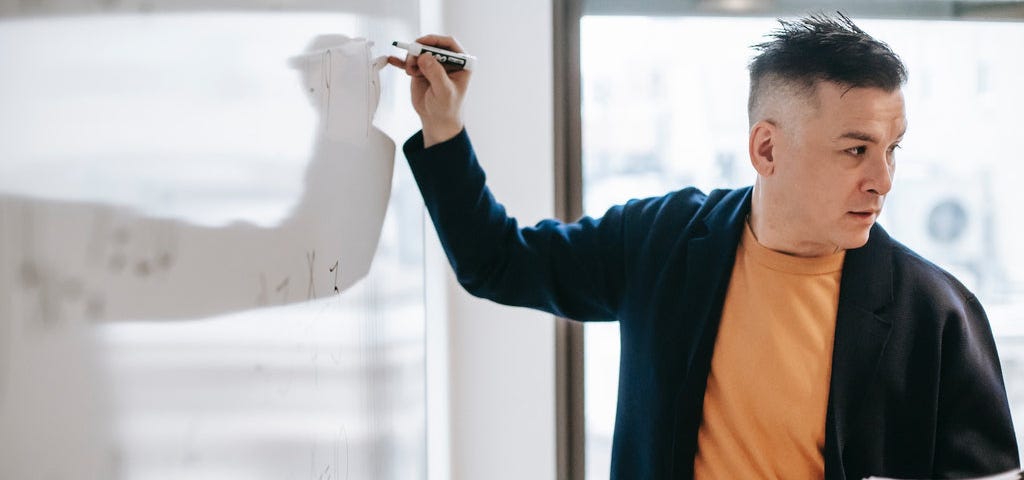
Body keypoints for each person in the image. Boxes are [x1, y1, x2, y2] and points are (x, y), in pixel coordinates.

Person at [388, 12, 1019, 479]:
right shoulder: (660, 241)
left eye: (891, 150)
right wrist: (443, 125)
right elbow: (498, 264)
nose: (882, 179)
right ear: (766, 148)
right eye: (856, 150)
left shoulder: (938, 314)